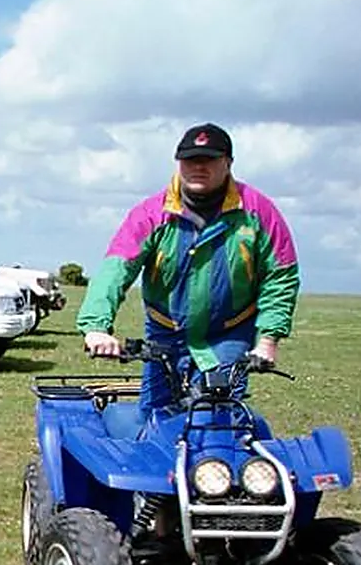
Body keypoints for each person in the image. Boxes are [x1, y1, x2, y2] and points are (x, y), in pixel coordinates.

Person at [78, 122, 300, 416]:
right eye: (190, 160)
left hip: (228, 334)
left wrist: (268, 339)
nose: (198, 167)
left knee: (218, 422)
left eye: (209, 159)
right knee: (155, 417)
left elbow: (280, 276)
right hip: (165, 332)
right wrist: (96, 328)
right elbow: (115, 270)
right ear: (178, 163)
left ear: (228, 163)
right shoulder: (151, 214)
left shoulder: (258, 212)